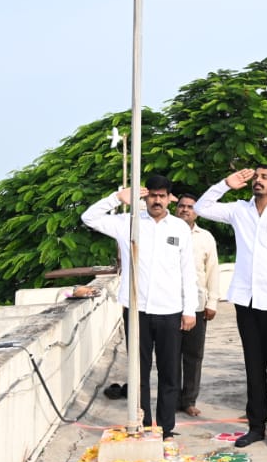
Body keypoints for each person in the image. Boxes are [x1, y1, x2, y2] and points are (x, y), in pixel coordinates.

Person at [194, 167, 267, 450]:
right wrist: (225, 183)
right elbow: (201, 207)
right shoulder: (238, 210)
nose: (258, 180)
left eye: (264, 177)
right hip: (247, 301)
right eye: (255, 177)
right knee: (254, 367)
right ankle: (256, 427)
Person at [81, 175, 196, 440]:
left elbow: (187, 272)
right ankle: (143, 425)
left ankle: (165, 429)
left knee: (169, 373)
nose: (157, 200)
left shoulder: (179, 228)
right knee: (139, 371)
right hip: (137, 310)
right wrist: (116, 198)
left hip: (170, 311)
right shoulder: (127, 223)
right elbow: (89, 217)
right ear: (144, 198)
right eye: (152, 195)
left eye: (162, 195)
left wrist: (190, 309)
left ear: (169, 198)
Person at [174, 193, 221, 417]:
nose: (185, 210)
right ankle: (171, 400)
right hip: (169, 304)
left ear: (197, 211)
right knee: (170, 355)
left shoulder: (205, 237)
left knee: (193, 355)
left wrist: (213, 301)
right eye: (181, 206)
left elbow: (213, 270)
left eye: (190, 207)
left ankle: (189, 399)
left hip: (198, 305)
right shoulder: (166, 231)